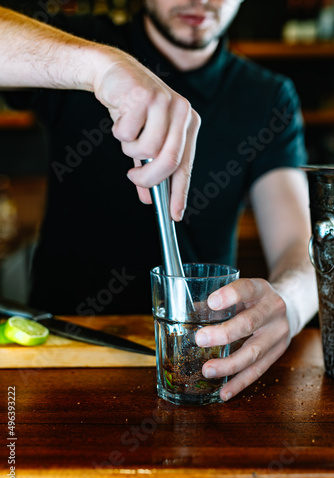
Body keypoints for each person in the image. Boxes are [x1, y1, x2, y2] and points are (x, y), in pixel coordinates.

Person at [0, 1, 318, 402]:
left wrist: (288, 303)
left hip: (196, 365)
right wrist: (98, 67)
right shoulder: (74, 40)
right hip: (61, 355)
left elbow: (300, 250)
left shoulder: (268, 97)